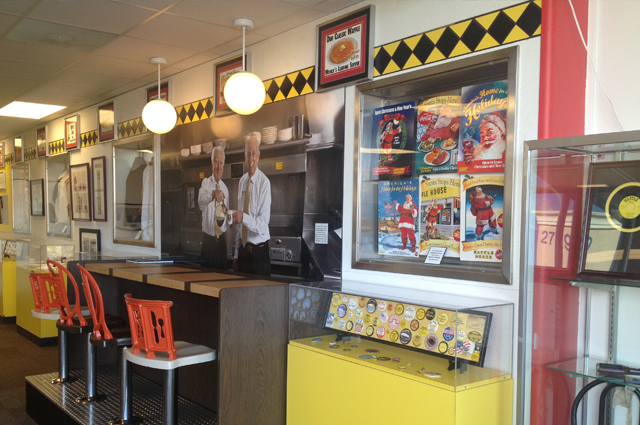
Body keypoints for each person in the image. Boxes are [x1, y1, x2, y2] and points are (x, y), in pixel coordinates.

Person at [233, 137, 272, 276]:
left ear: (258, 155)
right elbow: (239, 224)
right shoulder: (242, 181)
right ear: (244, 156)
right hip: (243, 254)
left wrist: (243, 217)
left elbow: (262, 225)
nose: (251, 158)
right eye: (248, 154)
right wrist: (236, 255)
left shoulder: (264, 183)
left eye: (254, 154)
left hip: (259, 255)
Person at [198, 146, 229, 270]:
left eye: (221, 163)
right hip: (208, 243)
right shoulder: (205, 183)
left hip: (221, 243)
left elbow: (226, 214)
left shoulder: (225, 188)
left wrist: (230, 216)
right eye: (216, 162)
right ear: (212, 163)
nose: (218, 167)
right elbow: (200, 202)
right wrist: (213, 194)